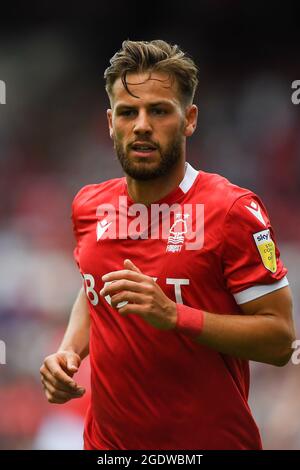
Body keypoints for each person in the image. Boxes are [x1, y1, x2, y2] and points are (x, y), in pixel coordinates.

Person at [40, 39, 296, 450]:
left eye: (158, 110)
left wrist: (175, 315)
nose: (142, 125)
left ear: (189, 119)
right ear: (110, 122)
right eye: (128, 112)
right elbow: (95, 285)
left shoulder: (231, 210)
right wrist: (69, 351)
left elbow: (281, 340)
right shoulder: (89, 205)